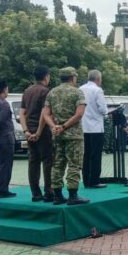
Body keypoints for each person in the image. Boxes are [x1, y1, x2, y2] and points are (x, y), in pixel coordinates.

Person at [43, 67, 89, 205]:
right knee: (74, 165)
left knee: (57, 164)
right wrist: (64, 126)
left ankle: (57, 195)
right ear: (73, 77)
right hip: (73, 135)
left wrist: (54, 126)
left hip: (57, 135)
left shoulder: (52, 92)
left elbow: (45, 114)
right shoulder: (77, 92)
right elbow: (79, 114)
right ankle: (73, 195)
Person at [20, 66, 53, 201]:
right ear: (46, 77)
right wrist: (39, 132)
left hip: (29, 130)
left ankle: (35, 193)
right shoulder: (46, 91)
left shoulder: (27, 91)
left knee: (33, 161)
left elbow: (22, 113)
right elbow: (44, 114)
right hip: (43, 131)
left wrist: (26, 131)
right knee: (47, 161)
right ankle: (48, 191)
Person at [79, 69, 108, 189]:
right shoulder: (98, 90)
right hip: (96, 128)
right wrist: (106, 112)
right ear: (98, 79)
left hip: (83, 127)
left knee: (85, 155)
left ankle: (86, 180)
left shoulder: (80, 89)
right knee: (95, 155)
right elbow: (103, 109)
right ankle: (95, 181)